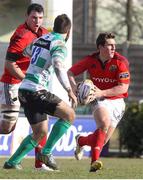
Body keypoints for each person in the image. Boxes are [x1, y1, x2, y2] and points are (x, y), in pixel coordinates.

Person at [3, 14, 77, 171]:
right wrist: (69, 89)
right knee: (69, 115)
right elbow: (58, 66)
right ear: (68, 32)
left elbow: (26, 52)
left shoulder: (40, 39)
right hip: (37, 90)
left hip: (24, 89)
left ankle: (12, 162)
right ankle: (47, 153)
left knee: (40, 132)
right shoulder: (59, 44)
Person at [67, 32, 130, 172]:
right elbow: (70, 72)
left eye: (114, 45)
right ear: (100, 47)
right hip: (98, 99)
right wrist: (74, 88)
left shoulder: (121, 62)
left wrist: (102, 92)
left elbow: (123, 87)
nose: (114, 48)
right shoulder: (91, 60)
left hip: (117, 100)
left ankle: (81, 141)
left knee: (102, 140)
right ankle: (94, 162)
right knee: (103, 124)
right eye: (110, 45)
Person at [0, 3, 49, 170]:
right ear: (27, 17)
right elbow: (9, 64)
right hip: (12, 83)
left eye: (40, 18)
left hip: (31, 85)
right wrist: (28, 78)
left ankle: (40, 164)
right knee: (7, 128)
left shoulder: (44, 33)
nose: (37, 21)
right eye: (34, 17)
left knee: (42, 123)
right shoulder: (21, 35)